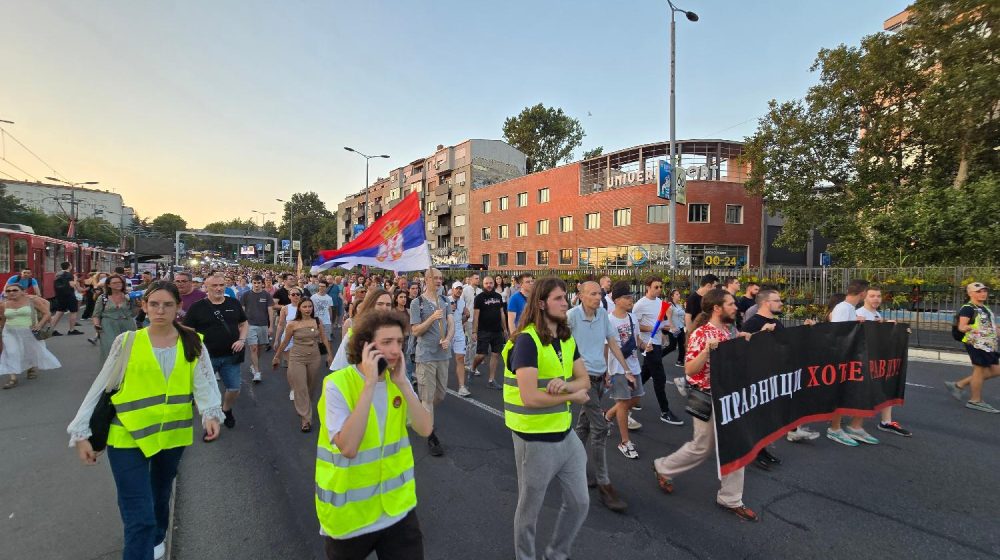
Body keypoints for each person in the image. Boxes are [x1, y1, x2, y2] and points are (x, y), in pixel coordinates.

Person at [67, 281, 223, 560]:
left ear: (178, 308)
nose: (160, 310)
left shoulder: (192, 341)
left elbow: (205, 381)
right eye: (154, 304)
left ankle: (158, 536)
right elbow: (101, 386)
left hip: (172, 435)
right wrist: (81, 432)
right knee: (139, 517)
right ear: (144, 306)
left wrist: (210, 413)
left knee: (160, 494)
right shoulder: (127, 341)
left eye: (167, 305)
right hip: (126, 435)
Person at [315, 310, 433, 559]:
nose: (395, 350)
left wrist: (402, 383)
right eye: (387, 342)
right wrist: (369, 384)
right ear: (365, 346)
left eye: (399, 342)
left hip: (397, 511)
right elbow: (348, 447)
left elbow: (425, 429)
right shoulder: (337, 385)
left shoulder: (397, 381)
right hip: (350, 519)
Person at [503, 277, 592, 559]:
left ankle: (556, 554)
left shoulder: (565, 337)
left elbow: (585, 381)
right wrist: (571, 396)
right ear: (541, 303)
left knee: (580, 503)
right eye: (558, 298)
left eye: (566, 297)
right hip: (535, 440)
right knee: (529, 512)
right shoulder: (527, 341)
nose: (566, 302)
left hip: (565, 435)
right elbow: (530, 397)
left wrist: (566, 386)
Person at [653, 288, 759, 522]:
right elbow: (690, 370)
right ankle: (663, 467)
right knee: (702, 446)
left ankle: (731, 498)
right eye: (731, 304)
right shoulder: (702, 334)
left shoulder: (730, 329)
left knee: (734, 446)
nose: (736, 307)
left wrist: (745, 339)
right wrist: (707, 352)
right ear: (717, 308)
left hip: (730, 397)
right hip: (707, 397)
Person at [566, 280, 630, 513]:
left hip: (599, 377)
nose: (597, 297)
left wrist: (624, 368)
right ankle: (605, 485)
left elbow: (611, 341)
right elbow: (559, 344)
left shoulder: (602, 314)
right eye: (592, 293)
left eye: (599, 293)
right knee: (600, 428)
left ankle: (567, 463)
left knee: (583, 427)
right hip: (582, 380)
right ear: (581, 296)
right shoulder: (571, 317)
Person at [742, 289, 821, 445]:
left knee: (791, 397)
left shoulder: (776, 321)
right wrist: (761, 333)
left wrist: (804, 329)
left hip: (779, 368)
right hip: (762, 373)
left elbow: (784, 341)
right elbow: (743, 347)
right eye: (777, 301)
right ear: (766, 303)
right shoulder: (752, 323)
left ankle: (792, 430)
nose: (781, 303)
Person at [184, 273, 248, 430]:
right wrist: (195, 350)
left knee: (234, 388)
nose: (219, 288)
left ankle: (226, 409)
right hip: (206, 358)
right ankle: (210, 426)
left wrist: (241, 340)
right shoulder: (197, 307)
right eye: (215, 285)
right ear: (207, 287)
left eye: (221, 285)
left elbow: (244, 323)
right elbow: (188, 331)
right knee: (207, 394)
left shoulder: (234, 303)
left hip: (231, 357)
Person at [826, 279, 880, 447]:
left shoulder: (850, 309)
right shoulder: (843, 308)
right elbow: (838, 333)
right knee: (841, 392)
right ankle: (835, 429)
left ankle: (854, 426)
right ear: (863, 293)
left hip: (853, 357)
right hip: (843, 358)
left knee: (857, 391)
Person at [855, 286, 912, 436]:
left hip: (877, 359)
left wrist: (899, 331)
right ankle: (851, 424)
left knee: (887, 383)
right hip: (864, 360)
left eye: (878, 296)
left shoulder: (876, 314)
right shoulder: (859, 313)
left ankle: (886, 421)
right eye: (872, 296)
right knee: (866, 390)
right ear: (865, 298)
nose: (876, 299)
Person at [273, 297, 334, 431]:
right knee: (300, 387)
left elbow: (324, 338)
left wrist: (330, 355)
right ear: (299, 308)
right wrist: (277, 356)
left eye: (310, 307)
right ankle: (306, 419)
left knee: (310, 387)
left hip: (314, 357)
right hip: (296, 358)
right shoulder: (292, 324)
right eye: (305, 307)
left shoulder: (317, 321)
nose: (307, 309)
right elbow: (285, 342)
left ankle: (305, 407)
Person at [409, 267, 451, 457]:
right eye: (435, 278)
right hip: (425, 355)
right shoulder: (417, 303)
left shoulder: (444, 300)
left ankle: (421, 413)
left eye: (441, 278)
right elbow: (416, 331)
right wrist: (432, 318)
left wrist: (449, 338)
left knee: (439, 396)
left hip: (443, 355)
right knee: (427, 397)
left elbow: (451, 323)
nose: (439, 281)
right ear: (427, 280)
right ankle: (430, 435)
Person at [603, 281, 647, 461]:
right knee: (623, 403)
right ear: (618, 300)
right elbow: (606, 348)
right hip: (618, 369)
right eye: (627, 297)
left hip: (634, 365)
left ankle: (607, 415)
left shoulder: (632, 318)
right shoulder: (608, 320)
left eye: (631, 297)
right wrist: (606, 371)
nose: (631, 300)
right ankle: (624, 441)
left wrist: (645, 345)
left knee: (636, 399)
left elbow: (637, 340)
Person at [633, 276, 683, 426]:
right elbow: (636, 326)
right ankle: (665, 411)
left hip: (657, 343)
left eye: (661, 287)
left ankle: (631, 398)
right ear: (647, 287)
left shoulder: (661, 303)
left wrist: (669, 328)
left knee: (645, 374)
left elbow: (663, 324)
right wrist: (655, 328)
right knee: (660, 378)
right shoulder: (640, 305)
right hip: (648, 345)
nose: (659, 289)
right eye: (656, 287)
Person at [946, 282, 999, 413]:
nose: (983, 293)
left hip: (988, 345)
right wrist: (977, 329)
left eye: (984, 291)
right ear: (970, 293)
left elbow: (991, 327)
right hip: (975, 344)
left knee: (996, 370)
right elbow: (962, 327)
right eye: (979, 291)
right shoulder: (968, 308)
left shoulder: (985, 308)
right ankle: (975, 400)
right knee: (979, 371)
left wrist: (994, 330)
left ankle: (959, 385)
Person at [1, 283, 59, 389]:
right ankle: (13, 378)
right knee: (11, 352)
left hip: (29, 331)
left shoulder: (32, 301)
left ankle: (31, 367)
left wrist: (39, 325)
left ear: (23, 292)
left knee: (29, 351)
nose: (11, 293)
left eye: (15, 290)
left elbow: (47, 313)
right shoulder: (4, 304)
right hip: (9, 332)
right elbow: (3, 320)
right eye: (8, 291)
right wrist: (1, 331)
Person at [472, 275, 508, 390]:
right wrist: (474, 331)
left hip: (497, 330)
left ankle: (491, 380)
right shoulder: (479, 298)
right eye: (487, 283)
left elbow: (502, 313)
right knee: (481, 355)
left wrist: (505, 329)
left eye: (491, 283)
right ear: (483, 284)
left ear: (494, 284)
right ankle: (473, 368)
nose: (489, 285)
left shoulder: (498, 296)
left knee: (496, 354)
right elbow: (476, 316)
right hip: (483, 330)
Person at [93, 274, 138, 363]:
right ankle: (110, 372)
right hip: (108, 325)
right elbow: (96, 314)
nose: (118, 284)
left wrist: (138, 306)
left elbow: (133, 313)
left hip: (127, 325)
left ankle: (127, 372)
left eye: (120, 282)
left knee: (128, 349)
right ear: (108, 285)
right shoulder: (103, 298)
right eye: (115, 283)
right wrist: (97, 325)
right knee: (110, 348)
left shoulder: (129, 296)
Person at [240, 275, 274, 383]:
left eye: (258, 283)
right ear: (252, 283)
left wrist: (271, 326)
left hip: (263, 324)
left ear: (262, 283)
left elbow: (270, 311)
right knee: (253, 347)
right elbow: (242, 311)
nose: (256, 285)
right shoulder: (246, 295)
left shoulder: (267, 295)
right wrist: (241, 325)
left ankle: (253, 365)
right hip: (250, 325)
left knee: (260, 348)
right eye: (254, 283)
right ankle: (257, 372)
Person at [448, 281, 472, 397]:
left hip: (458, 332)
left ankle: (462, 387)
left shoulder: (462, 302)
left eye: (460, 289)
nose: (459, 291)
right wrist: (448, 309)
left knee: (460, 358)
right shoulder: (445, 300)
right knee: (442, 359)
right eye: (457, 288)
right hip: (447, 332)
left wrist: (466, 316)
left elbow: (462, 320)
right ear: (452, 289)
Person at [50, 261, 84, 336]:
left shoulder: (58, 274)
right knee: (73, 311)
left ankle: (51, 330)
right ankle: (71, 330)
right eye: (71, 265)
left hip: (59, 295)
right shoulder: (69, 274)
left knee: (59, 312)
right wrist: (75, 279)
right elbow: (72, 285)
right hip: (69, 295)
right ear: (69, 266)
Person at [461, 273, 482, 376]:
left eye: (479, 278)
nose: (478, 280)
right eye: (476, 278)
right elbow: (461, 304)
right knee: (473, 342)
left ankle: (467, 362)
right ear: (471, 279)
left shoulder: (480, 291)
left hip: (478, 320)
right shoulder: (465, 290)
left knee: (472, 343)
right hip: (469, 320)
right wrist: (463, 319)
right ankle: (472, 365)